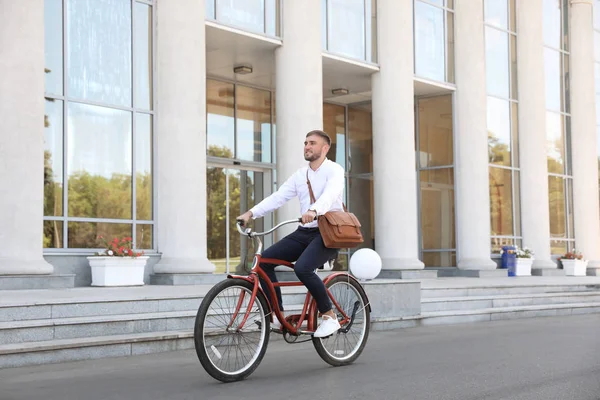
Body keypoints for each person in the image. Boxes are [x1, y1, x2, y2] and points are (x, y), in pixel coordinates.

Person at [236, 129, 344, 338]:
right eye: (305, 143)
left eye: (312, 143)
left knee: (303, 268)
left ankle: (329, 316)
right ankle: (277, 317)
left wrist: (314, 210)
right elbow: (278, 197)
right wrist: (251, 213)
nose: (307, 146)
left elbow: (331, 194)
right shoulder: (300, 175)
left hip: (327, 233)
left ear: (324, 148)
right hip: (304, 232)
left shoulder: (334, 170)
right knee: (264, 262)